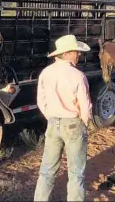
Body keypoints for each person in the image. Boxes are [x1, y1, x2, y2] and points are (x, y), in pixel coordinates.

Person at [34, 35, 92, 202]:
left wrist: (51, 117)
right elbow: (85, 106)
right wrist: (84, 122)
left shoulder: (46, 73)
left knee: (47, 171)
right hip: (73, 124)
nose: (79, 55)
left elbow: (41, 100)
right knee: (76, 173)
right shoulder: (78, 76)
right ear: (66, 53)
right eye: (76, 52)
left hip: (53, 123)